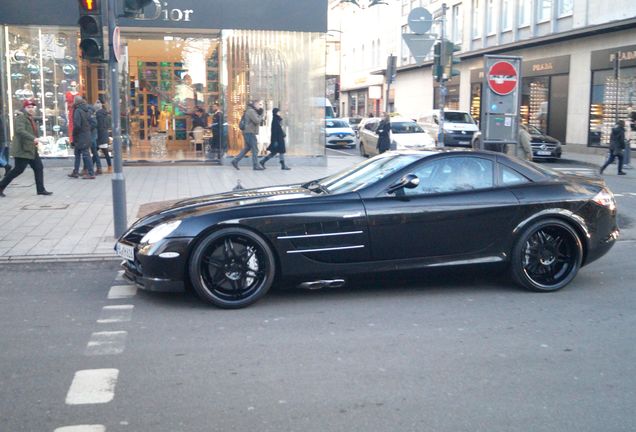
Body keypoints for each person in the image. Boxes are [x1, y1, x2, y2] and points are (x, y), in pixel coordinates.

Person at [0, 99, 52, 197]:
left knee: (38, 167)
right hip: (23, 149)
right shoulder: (21, 118)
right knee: (18, 170)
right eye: (29, 107)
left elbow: (31, 131)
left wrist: (37, 139)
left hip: (31, 148)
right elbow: (20, 130)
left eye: (32, 107)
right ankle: (1, 186)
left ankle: (40, 189)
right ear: (24, 108)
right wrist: (34, 138)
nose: (31, 109)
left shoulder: (30, 118)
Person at [68, 96, 96, 180]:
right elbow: (93, 123)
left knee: (85, 154)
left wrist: (74, 134)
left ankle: (91, 173)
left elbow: (77, 125)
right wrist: (87, 129)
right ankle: (75, 171)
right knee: (78, 153)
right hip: (86, 135)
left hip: (80, 135)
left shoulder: (78, 111)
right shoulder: (87, 110)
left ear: (76, 102)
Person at [232, 100, 264, 170]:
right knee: (255, 149)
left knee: (247, 148)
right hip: (250, 132)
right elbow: (257, 121)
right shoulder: (251, 111)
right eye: (259, 104)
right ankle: (256, 165)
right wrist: (261, 115)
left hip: (248, 132)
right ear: (255, 105)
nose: (260, 106)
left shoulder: (251, 110)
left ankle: (235, 160)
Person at [96, 101, 112, 173]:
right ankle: (109, 167)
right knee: (104, 152)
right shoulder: (105, 114)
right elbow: (108, 124)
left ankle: (89, 168)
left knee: (97, 152)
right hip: (104, 134)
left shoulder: (98, 115)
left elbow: (99, 126)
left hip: (100, 136)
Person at [89, 100, 102, 175]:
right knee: (94, 152)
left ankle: (97, 167)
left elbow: (94, 124)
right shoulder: (94, 114)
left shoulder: (92, 114)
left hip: (93, 135)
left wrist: (88, 128)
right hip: (95, 135)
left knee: (94, 152)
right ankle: (96, 167)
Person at [0, 111, 12, 176]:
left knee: (1, 157)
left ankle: (7, 166)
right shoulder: (3, 118)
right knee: (2, 156)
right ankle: (7, 167)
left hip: (1, 141)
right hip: (3, 140)